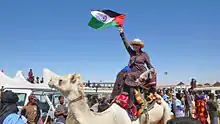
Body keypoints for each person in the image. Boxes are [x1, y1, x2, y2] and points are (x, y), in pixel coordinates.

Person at [111, 27, 156, 108]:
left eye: (137, 45)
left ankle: (130, 96)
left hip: (140, 72)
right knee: (120, 74)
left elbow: (149, 65)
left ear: (140, 46)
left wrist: (152, 70)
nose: (135, 46)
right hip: (131, 71)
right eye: (134, 45)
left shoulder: (144, 55)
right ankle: (114, 95)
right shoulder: (132, 53)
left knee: (129, 76)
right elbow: (126, 45)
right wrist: (122, 34)